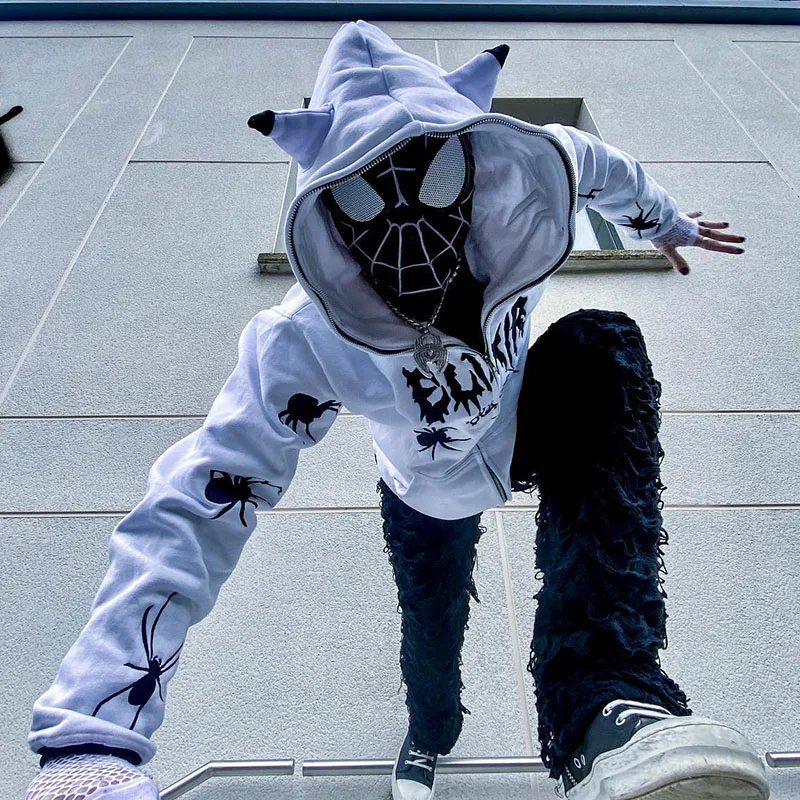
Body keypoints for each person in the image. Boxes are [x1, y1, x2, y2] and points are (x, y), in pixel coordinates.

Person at [25, 19, 768, 800]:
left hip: (523, 424)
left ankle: (607, 699)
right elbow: (200, 496)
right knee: (432, 623)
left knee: (601, 347)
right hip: (423, 489)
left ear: (474, 173)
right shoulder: (307, 337)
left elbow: (598, 164)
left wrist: (666, 223)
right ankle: (429, 735)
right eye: (366, 203)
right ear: (331, 217)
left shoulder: (523, 202)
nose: (410, 230)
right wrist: (89, 739)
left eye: (437, 187)